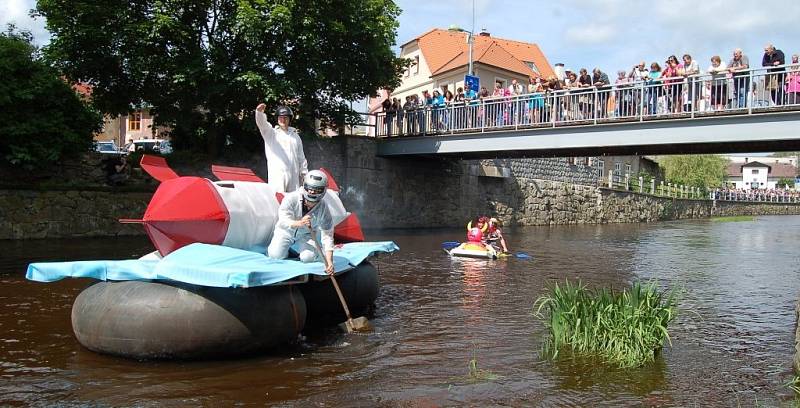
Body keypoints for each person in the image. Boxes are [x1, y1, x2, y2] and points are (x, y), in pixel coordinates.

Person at [267, 170, 335, 274]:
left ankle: (306, 251)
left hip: (306, 235)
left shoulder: (323, 208)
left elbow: (328, 235)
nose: (312, 192)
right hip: (286, 232)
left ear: (323, 190)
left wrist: (329, 261)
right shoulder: (291, 198)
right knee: (275, 256)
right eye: (309, 188)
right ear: (304, 185)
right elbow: (283, 219)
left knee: (308, 258)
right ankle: (287, 250)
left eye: (316, 190)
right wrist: (299, 223)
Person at [255, 103, 308, 193]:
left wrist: (304, 175)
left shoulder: (296, 137)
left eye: (285, 118)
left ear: (289, 119)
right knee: (277, 201)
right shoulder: (271, 133)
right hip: (277, 176)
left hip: (293, 178)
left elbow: (301, 158)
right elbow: (262, 124)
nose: (283, 120)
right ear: (277, 119)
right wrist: (259, 113)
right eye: (280, 117)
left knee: (293, 202)